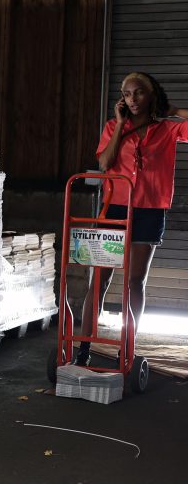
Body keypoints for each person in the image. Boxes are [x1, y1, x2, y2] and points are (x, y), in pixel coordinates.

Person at [76, 72, 188, 365]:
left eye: (139, 93)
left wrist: (173, 110)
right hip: (114, 208)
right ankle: (83, 350)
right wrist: (120, 126)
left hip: (149, 211)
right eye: (127, 94)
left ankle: (127, 348)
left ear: (152, 95)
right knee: (99, 280)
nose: (132, 99)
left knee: (134, 282)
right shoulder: (114, 126)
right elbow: (104, 162)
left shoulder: (167, 130)